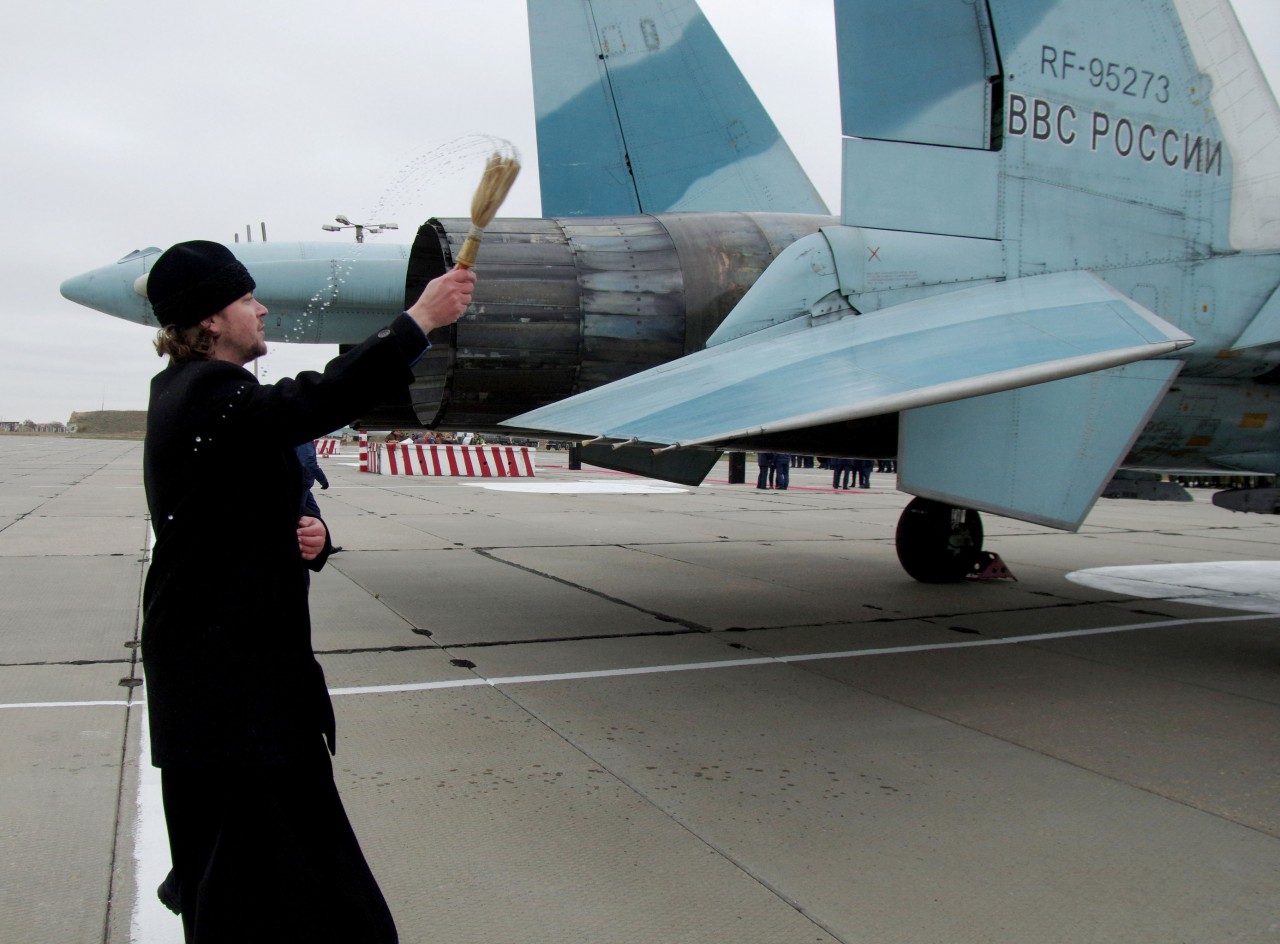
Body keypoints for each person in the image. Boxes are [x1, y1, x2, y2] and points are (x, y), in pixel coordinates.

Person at [140, 239, 474, 943]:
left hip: (229, 684)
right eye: (245, 299)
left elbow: (243, 492)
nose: (260, 309)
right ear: (208, 320)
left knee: (261, 872)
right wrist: (417, 320)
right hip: (232, 692)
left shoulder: (193, 395)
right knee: (274, 879)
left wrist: (308, 532)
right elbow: (318, 399)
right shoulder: (208, 393)